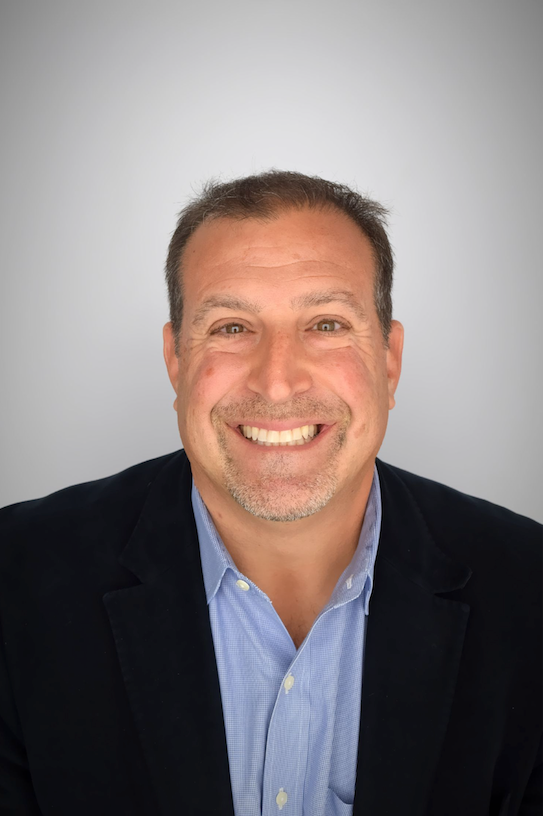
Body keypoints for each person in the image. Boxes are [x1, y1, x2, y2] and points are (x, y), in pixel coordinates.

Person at [0, 170, 541, 816]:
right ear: (175, 362)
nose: (277, 382)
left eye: (326, 324)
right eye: (231, 327)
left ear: (389, 362)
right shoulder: (16, 581)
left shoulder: (529, 593)